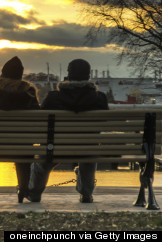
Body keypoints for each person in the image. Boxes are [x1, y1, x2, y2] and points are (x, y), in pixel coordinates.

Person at [28, 59, 109, 203]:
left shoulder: (53, 98)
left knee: (42, 162)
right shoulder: (99, 98)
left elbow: (40, 122)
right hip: (88, 148)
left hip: (55, 148)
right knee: (88, 155)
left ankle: (34, 192)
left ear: (68, 75)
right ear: (88, 75)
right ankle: (86, 193)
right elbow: (104, 123)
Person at [0, 56, 40, 203]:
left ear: (3, 73)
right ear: (20, 74)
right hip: (22, 147)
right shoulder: (28, 93)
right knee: (24, 152)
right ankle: (23, 189)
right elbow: (37, 120)